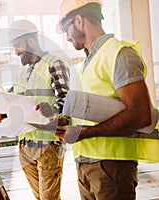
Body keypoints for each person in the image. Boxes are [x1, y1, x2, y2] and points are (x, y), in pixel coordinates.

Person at [56, 0, 155, 199]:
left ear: (79, 21)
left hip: (111, 166)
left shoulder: (119, 53)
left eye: (66, 30)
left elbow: (141, 115)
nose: (66, 38)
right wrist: (64, 123)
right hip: (85, 165)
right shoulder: (85, 65)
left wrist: (85, 133)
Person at [9, 19, 70, 200]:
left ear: (31, 41)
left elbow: (67, 100)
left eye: (18, 45)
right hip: (25, 147)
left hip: (48, 145)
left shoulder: (54, 63)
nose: (16, 51)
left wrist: (52, 109)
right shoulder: (21, 74)